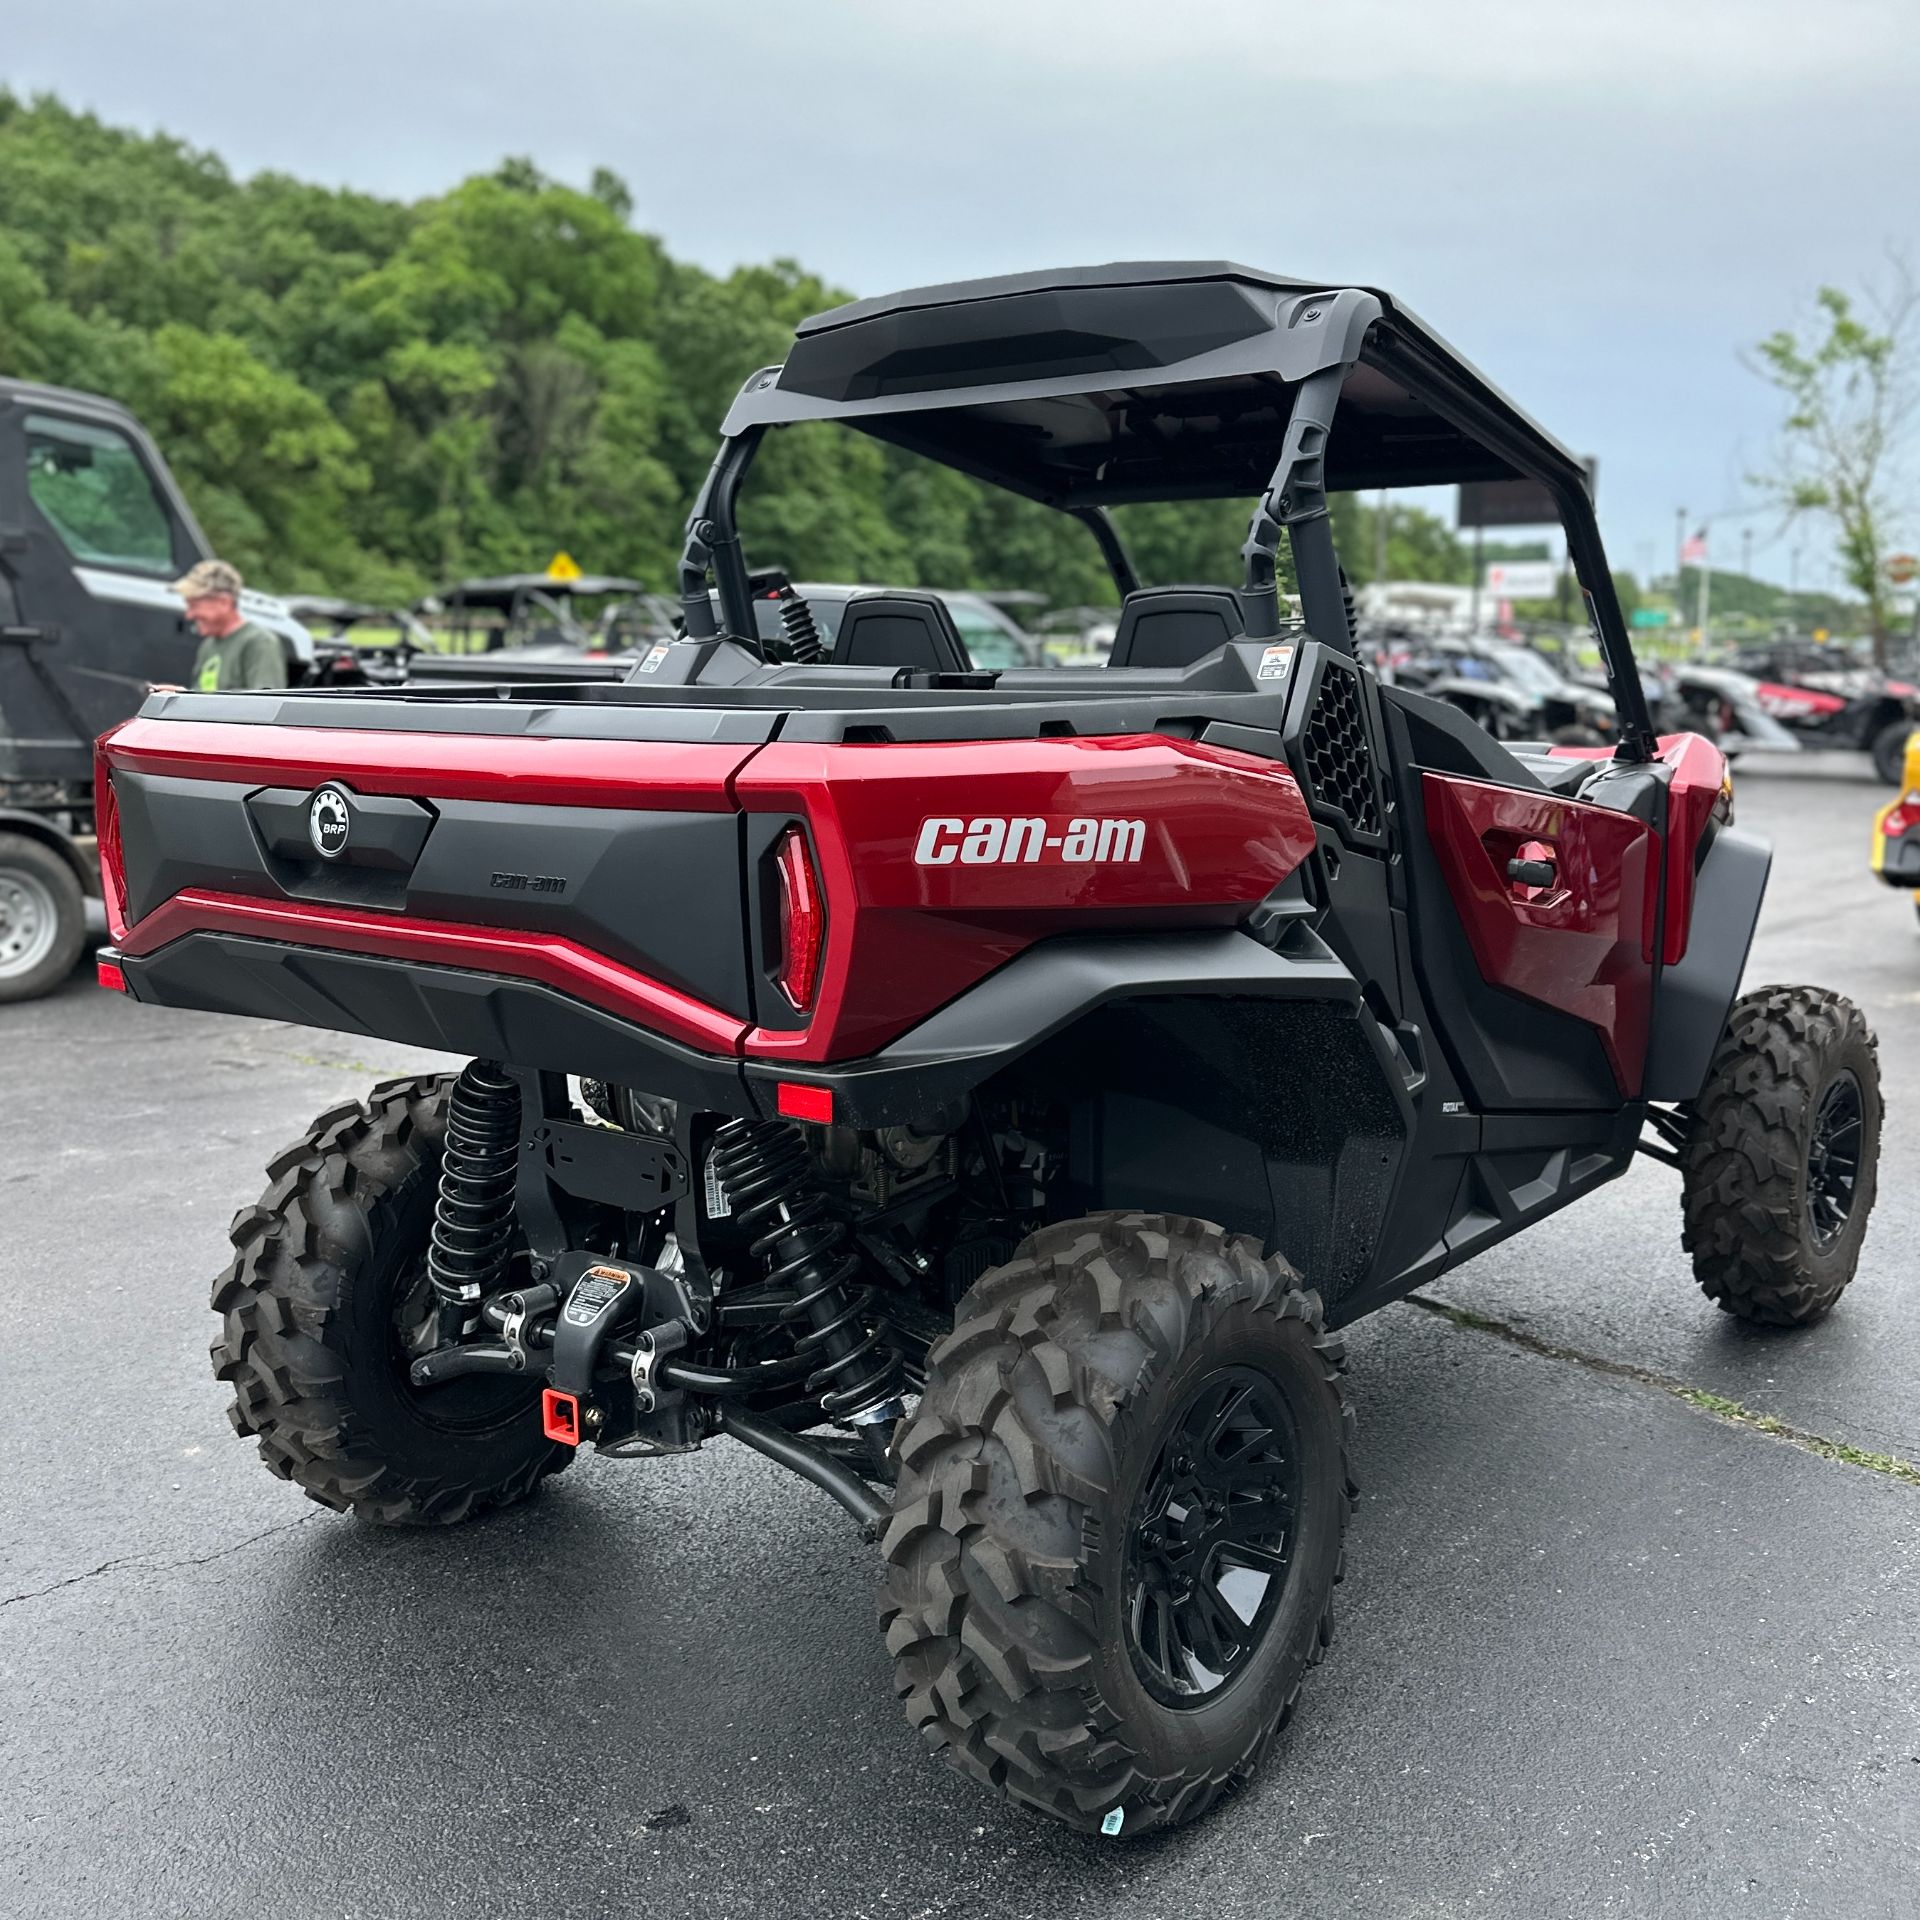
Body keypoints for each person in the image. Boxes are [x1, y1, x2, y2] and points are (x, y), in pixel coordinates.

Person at [172, 559, 288, 691]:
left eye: (194, 606)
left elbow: (267, 705)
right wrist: (181, 697)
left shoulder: (260, 642)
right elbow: (204, 699)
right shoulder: (208, 645)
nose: (189, 615)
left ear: (224, 602)